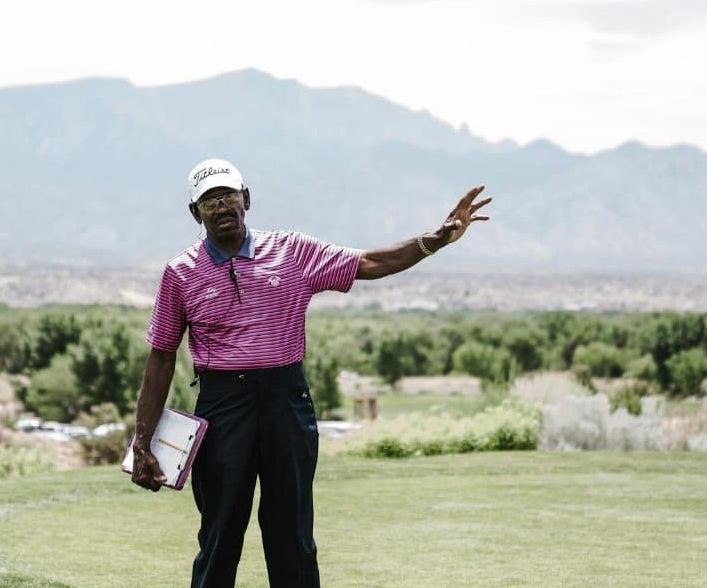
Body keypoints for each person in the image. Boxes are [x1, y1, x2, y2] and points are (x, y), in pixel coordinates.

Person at [131, 158, 490, 588]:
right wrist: (142, 439)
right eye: (209, 201)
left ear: (246, 199)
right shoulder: (180, 273)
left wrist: (439, 238)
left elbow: (370, 263)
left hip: (287, 400)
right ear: (196, 213)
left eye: (228, 195)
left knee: (292, 534)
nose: (221, 205)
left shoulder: (292, 251)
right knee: (219, 534)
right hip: (223, 407)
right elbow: (161, 358)